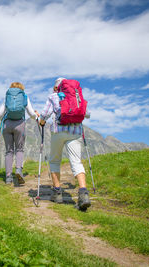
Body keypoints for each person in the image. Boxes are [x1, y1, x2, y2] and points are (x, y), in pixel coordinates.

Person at [39, 77, 91, 210]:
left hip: (59, 131)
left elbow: (45, 114)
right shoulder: (77, 95)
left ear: (56, 87)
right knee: (76, 162)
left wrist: (42, 121)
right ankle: (83, 194)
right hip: (75, 131)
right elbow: (87, 113)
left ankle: (57, 193)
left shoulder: (53, 96)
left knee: (55, 160)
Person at [0, 82, 39, 186]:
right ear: (21, 88)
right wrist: (36, 116)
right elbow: (31, 113)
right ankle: (19, 170)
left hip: (7, 125)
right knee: (19, 149)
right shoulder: (24, 96)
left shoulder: (7, 97)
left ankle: (8, 177)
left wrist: (5, 119)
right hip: (20, 124)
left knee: (9, 151)